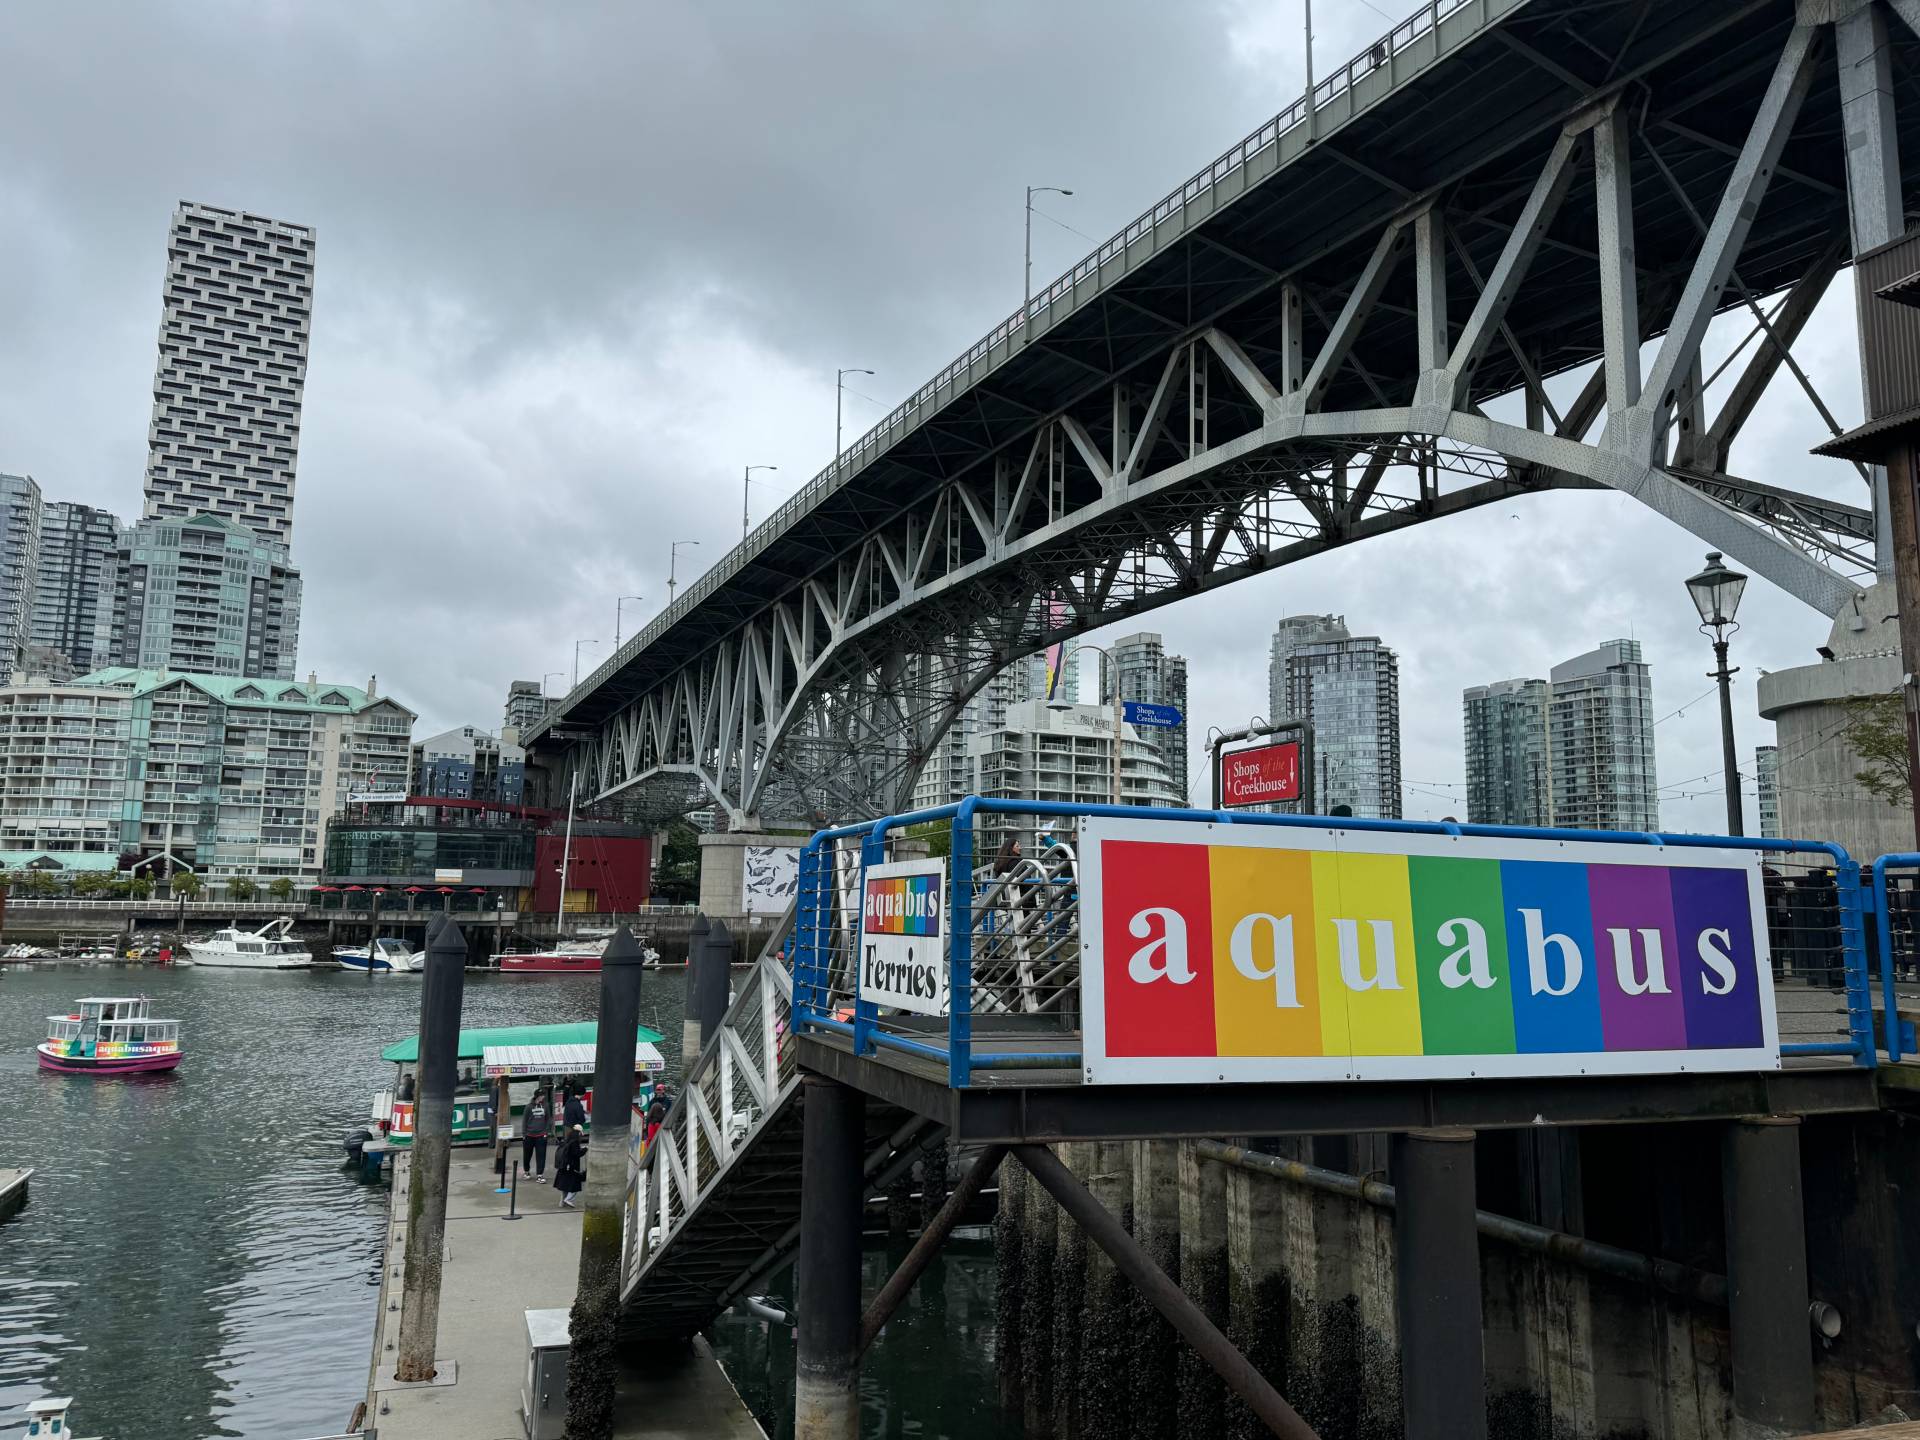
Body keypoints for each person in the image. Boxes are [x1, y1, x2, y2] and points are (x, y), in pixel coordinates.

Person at [521, 1084, 553, 1181]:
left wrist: (546, 1131)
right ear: (537, 1096)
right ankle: (526, 1171)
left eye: (543, 1095)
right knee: (527, 1155)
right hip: (529, 1135)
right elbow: (524, 1121)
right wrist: (524, 1134)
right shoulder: (528, 1107)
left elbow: (548, 1119)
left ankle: (540, 1174)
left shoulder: (546, 1105)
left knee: (541, 1155)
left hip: (541, 1135)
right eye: (542, 1095)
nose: (543, 1097)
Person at [553, 1124, 586, 1209]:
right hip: (572, 1167)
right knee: (574, 1186)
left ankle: (562, 1203)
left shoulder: (566, 1140)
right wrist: (585, 1150)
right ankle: (568, 1200)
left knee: (564, 1186)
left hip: (564, 1167)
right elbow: (577, 1154)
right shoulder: (574, 1142)